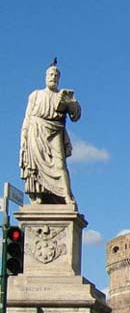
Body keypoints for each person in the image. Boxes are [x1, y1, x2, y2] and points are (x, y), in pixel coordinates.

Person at [20, 59, 80, 206]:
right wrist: (24, 137)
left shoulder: (62, 95)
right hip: (36, 130)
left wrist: (70, 104)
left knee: (60, 165)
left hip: (55, 131)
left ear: (59, 79)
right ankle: (39, 195)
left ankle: (67, 195)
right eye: (50, 75)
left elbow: (76, 116)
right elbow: (27, 117)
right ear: (46, 77)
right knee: (37, 165)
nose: (53, 77)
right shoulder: (35, 95)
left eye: (55, 75)